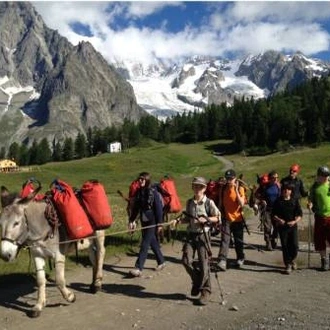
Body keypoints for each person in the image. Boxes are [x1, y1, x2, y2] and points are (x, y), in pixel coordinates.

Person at [172, 176, 221, 305]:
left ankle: (206, 291)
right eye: (195, 186)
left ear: (205, 188)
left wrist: (206, 219)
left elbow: (218, 217)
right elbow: (188, 219)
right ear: (192, 187)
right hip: (190, 235)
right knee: (186, 260)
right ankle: (197, 281)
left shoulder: (208, 202)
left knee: (204, 263)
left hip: (203, 236)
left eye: (200, 186)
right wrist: (177, 221)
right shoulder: (189, 202)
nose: (197, 188)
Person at [128, 172, 166, 277]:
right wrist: (132, 220)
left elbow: (158, 209)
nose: (140, 181)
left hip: (152, 221)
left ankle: (138, 268)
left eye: (142, 179)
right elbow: (136, 208)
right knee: (152, 241)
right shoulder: (139, 192)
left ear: (147, 180)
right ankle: (161, 261)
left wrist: (159, 224)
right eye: (139, 179)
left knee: (144, 243)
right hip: (144, 220)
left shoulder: (153, 193)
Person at [217, 169, 246, 271]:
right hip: (226, 219)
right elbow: (220, 204)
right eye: (227, 178)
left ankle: (240, 258)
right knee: (225, 240)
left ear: (235, 178)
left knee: (238, 241)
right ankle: (222, 260)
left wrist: (237, 190)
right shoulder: (223, 188)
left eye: (231, 178)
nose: (229, 180)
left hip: (238, 220)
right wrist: (218, 217)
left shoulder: (240, 189)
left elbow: (242, 204)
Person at [272, 183, 303, 274]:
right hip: (282, 227)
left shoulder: (294, 201)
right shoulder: (278, 201)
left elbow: (300, 214)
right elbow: (273, 214)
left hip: (292, 226)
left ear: (291, 191)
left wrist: (295, 221)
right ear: (282, 191)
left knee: (294, 246)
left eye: (288, 189)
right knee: (285, 246)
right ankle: (288, 264)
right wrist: (279, 220)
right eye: (285, 189)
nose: (286, 191)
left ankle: (292, 259)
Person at [307, 166, 330, 271]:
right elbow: (311, 199)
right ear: (319, 176)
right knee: (320, 240)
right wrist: (310, 204)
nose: (326, 178)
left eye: (327, 176)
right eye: (324, 176)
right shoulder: (314, 187)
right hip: (320, 216)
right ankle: (324, 260)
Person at [256, 170, 281, 250]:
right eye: (274, 178)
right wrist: (261, 200)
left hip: (276, 210)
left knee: (277, 227)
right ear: (270, 178)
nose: (276, 179)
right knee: (267, 227)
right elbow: (256, 195)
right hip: (266, 210)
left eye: (277, 177)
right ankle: (268, 242)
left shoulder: (278, 186)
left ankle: (273, 239)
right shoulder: (264, 186)